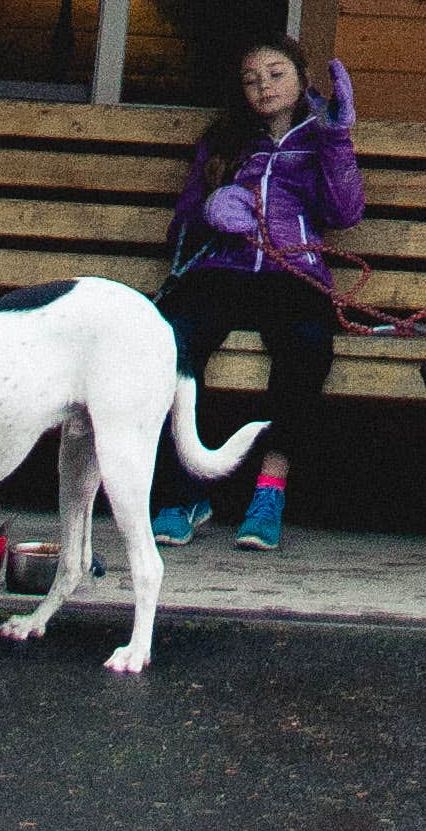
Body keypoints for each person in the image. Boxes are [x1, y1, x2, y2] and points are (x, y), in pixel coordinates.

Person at [152, 35, 363, 552]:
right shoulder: (227, 141)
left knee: (306, 345)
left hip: (292, 271)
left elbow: (344, 213)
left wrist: (337, 139)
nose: (264, 86)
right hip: (223, 268)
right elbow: (184, 219)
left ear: (302, 79)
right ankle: (185, 490)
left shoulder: (320, 137)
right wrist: (212, 210)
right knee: (175, 340)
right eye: (252, 79)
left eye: (276, 74)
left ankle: (269, 491)